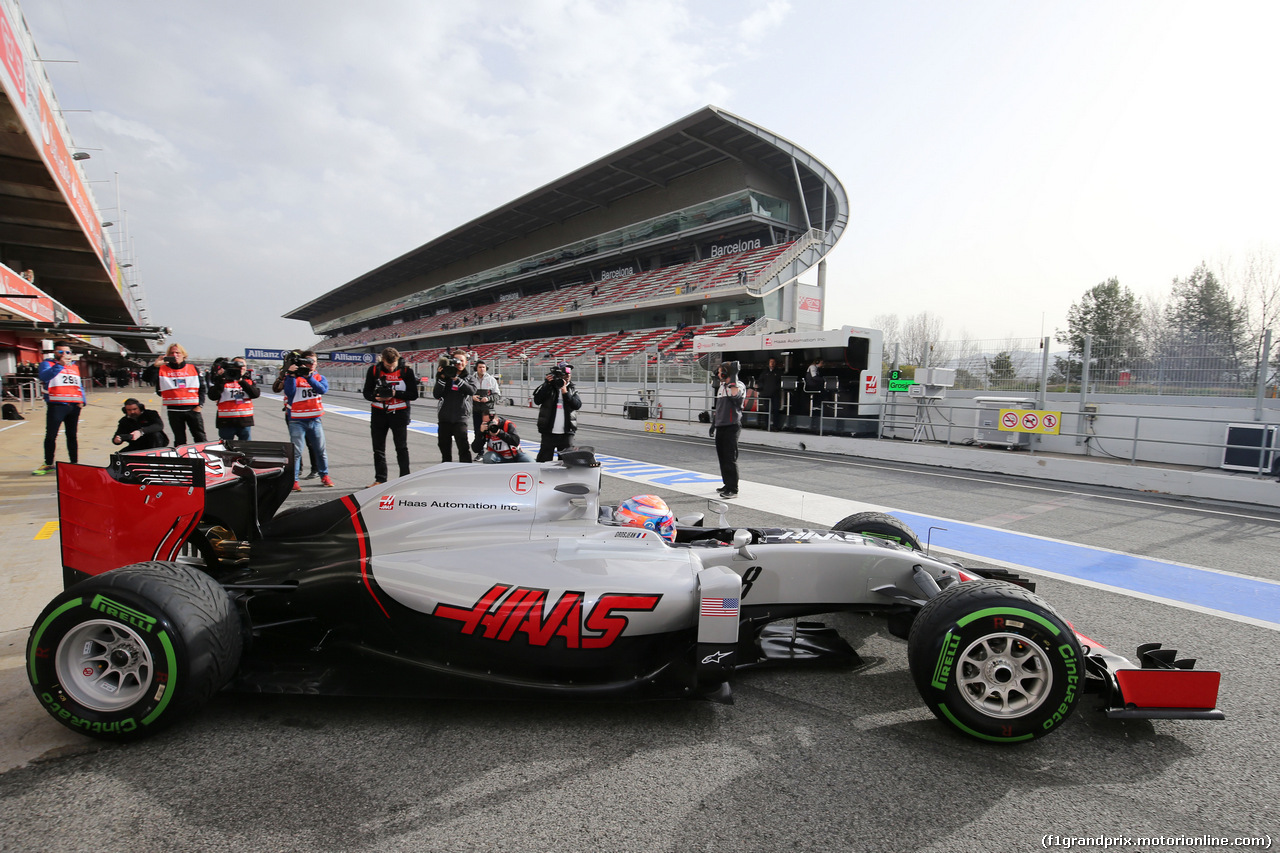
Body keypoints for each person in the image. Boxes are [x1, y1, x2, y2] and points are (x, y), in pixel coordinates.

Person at [273, 350, 333, 489]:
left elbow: (322, 390)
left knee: (320, 450)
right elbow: (290, 392)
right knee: (296, 452)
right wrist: (291, 375)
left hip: (315, 420)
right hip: (297, 420)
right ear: (303, 362)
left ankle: (324, 475)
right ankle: (293, 480)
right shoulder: (294, 377)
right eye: (309, 362)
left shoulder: (319, 377)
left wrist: (309, 377)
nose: (312, 365)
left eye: (314, 362)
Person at [362, 347, 419, 487]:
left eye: (392, 365)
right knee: (378, 448)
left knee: (401, 447)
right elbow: (366, 393)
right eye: (387, 366)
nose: (390, 368)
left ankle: (405, 479)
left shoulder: (406, 371)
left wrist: (395, 393)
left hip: (399, 414)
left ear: (397, 360)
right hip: (379, 413)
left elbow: (413, 395)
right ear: (382, 360)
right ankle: (380, 479)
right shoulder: (374, 370)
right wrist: (376, 397)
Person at [33, 341, 84, 475]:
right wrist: (60, 365)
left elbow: (79, 384)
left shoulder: (75, 367)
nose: (64, 355)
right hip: (57, 405)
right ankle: (48, 463)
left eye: (67, 352)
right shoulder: (48, 364)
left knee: (72, 436)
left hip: (73, 406)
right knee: (51, 436)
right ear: (55, 352)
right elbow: (44, 377)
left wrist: (82, 401)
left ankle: (74, 463)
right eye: (61, 352)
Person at [146, 342, 206, 445]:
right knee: (179, 439)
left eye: (178, 353)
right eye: (172, 353)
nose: (175, 355)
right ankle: (182, 460)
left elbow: (202, 388)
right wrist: (155, 366)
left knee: (200, 437)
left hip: (192, 410)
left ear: (183, 355)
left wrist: (200, 405)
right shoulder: (162, 369)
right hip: (174, 411)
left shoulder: (192, 368)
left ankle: (203, 458)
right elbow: (147, 378)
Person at [533, 362, 581, 462]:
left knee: (567, 462)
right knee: (544, 461)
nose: (567, 376)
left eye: (569, 373)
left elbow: (577, 405)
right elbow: (537, 400)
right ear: (558, 374)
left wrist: (565, 392)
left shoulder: (572, 389)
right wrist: (546, 384)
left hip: (567, 433)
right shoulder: (549, 387)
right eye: (564, 373)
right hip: (548, 432)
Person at [433, 351, 475, 462]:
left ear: (466, 363)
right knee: (444, 447)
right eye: (457, 360)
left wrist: (456, 379)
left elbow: (471, 391)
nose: (459, 363)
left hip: (460, 418)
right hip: (444, 418)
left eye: (462, 361)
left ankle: (466, 471)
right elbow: (436, 394)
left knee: (463, 448)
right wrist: (441, 377)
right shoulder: (444, 377)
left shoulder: (469, 378)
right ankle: (446, 471)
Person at [712, 360, 745, 499]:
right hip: (721, 425)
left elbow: (735, 397)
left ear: (726, 373)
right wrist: (714, 423)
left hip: (732, 425)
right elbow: (719, 408)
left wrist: (733, 378)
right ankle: (727, 483)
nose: (718, 374)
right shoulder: (721, 386)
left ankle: (733, 488)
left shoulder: (738, 385)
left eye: (720, 372)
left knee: (730, 458)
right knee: (722, 457)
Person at [208, 356, 260, 441]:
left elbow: (255, 394)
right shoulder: (222, 380)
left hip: (244, 422)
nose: (242, 368)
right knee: (225, 449)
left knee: (246, 449)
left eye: (244, 366)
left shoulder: (248, 381)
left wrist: (241, 381)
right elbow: (213, 396)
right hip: (226, 422)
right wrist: (221, 379)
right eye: (239, 366)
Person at [469, 359, 500, 455]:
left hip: (488, 411)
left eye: (484, 367)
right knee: (478, 431)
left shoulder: (491, 379)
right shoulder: (471, 379)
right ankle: (480, 452)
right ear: (476, 369)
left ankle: (492, 451)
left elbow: (497, 395)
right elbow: (466, 393)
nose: (482, 369)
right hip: (476, 410)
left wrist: (488, 398)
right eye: (480, 367)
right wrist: (472, 397)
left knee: (491, 431)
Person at [756, 356, 783, 431]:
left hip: (775, 394)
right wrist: (761, 388)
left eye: (773, 362)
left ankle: (775, 426)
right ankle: (766, 425)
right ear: (768, 363)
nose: (772, 364)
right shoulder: (764, 372)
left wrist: (776, 389)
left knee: (775, 410)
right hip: (766, 394)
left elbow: (780, 382)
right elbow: (760, 381)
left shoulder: (778, 372)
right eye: (771, 362)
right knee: (767, 410)